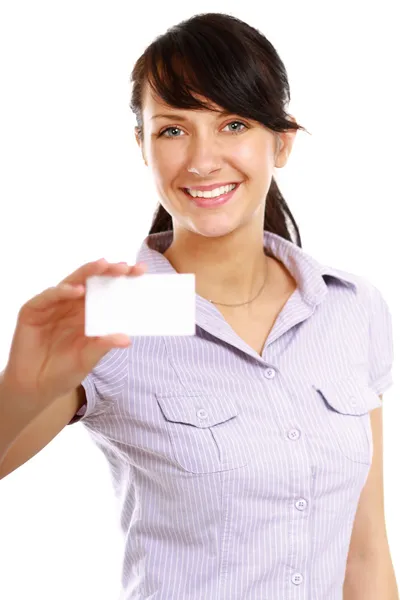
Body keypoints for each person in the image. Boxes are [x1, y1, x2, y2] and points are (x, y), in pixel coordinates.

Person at [0, 12, 396, 600]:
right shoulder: (112, 316)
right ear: (143, 146)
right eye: (173, 130)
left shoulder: (351, 306)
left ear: (281, 142)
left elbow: (365, 556)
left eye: (233, 124)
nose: (203, 160)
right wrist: (22, 384)